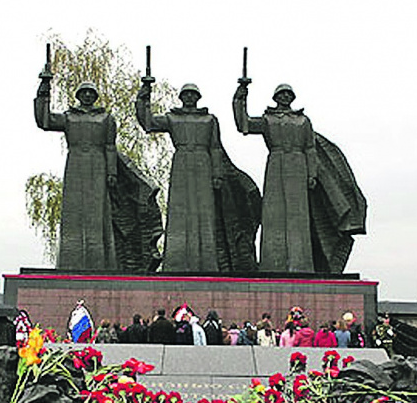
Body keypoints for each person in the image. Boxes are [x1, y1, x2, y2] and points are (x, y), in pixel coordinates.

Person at [233, 81, 365, 273]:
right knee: (273, 215)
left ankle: (300, 265)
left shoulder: (303, 121)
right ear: (276, 97)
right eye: (282, 94)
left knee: (298, 217)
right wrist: (240, 97)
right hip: (276, 164)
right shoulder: (268, 119)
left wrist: (312, 173)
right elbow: (243, 124)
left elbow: (310, 148)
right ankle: (272, 265)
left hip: (298, 165)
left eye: (288, 94)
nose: (285, 97)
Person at [137, 81, 259, 272]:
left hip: (203, 164)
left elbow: (215, 148)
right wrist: (143, 97)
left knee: (204, 213)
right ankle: (176, 262)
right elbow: (148, 122)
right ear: (182, 97)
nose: (189, 98)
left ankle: (207, 262)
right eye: (186, 95)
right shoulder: (172, 118)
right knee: (179, 213)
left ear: (197, 98)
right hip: (181, 164)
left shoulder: (209, 120)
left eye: (193, 95)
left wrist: (217, 174)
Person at [34, 78, 117, 271]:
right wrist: (43, 90)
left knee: (97, 212)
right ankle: (70, 260)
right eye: (84, 92)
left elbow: (110, 146)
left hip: (98, 163)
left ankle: (100, 262)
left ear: (95, 96)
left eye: (91, 92)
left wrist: (111, 172)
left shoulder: (106, 118)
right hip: (75, 163)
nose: (87, 95)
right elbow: (44, 120)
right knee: (73, 211)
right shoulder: (69, 117)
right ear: (78, 96)